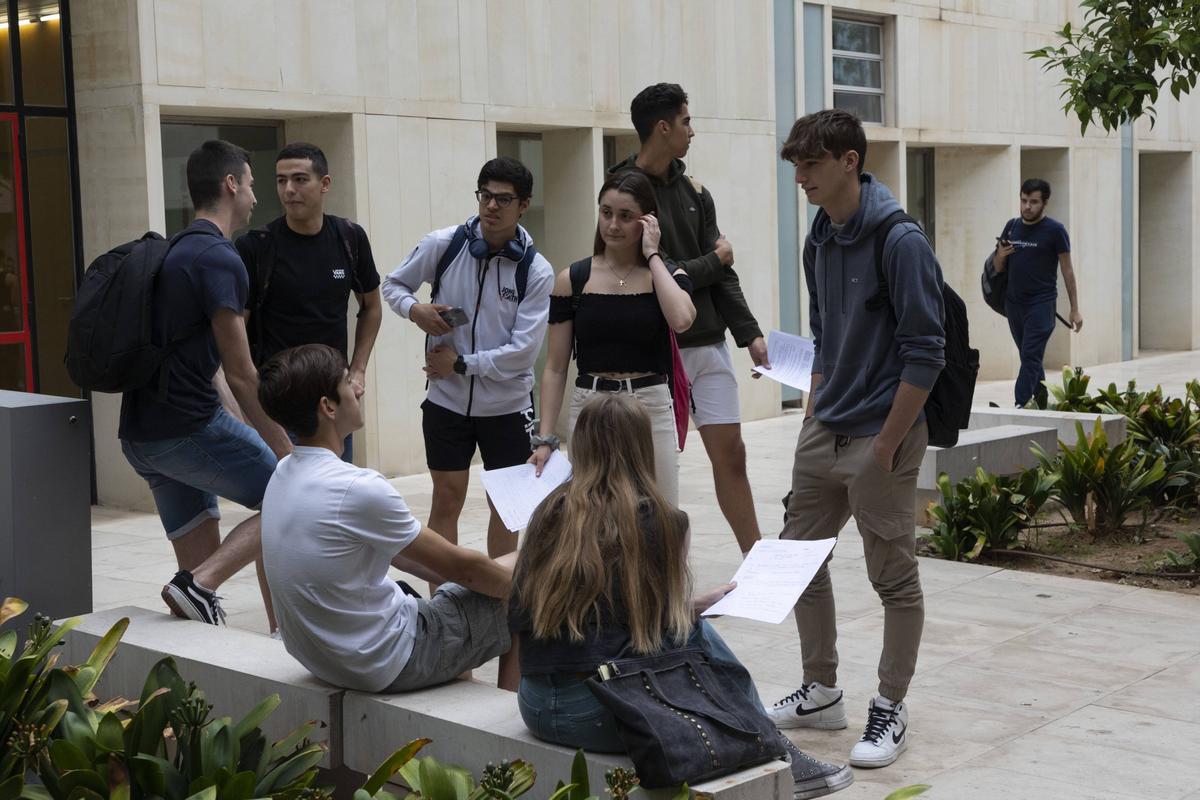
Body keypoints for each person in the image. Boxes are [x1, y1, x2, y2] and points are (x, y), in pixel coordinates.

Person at [511, 393, 853, 799]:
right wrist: (687, 613)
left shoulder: (548, 512)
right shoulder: (661, 520)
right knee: (697, 636)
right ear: (643, 447)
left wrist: (691, 605)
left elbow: (563, 616)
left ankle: (774, 741)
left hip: (534, 704)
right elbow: (658, 631)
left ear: (580, 445)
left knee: (688, 624)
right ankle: (776, 745)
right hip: (600, 715)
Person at [767, 109, 946, 769]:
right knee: (797, 561)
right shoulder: (820, 234)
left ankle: (891, 705)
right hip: (826, 428)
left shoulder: (900, 241)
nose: (800, 180)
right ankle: (821, 691)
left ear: (848, 161)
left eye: (809, 166)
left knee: (893, 577)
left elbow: (927, 353)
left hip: (881, 436)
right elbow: (821, 325)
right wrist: (816, 401)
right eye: (795, 167)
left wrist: (885, 444)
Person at [258, 343, 518, 692]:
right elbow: (462, 568)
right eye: (348, 382)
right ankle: (511, 726)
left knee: (506, 572)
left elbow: (414, 559)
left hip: (320, 657)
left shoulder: (283, 473)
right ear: (328, 407)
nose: (358, 388)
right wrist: (527, 590)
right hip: (384, 662)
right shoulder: (356, 488)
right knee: (535, 589)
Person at [117, 139, 292, 627]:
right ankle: (213, 589)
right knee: (289, 496)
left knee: (193, 565)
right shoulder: (219, 257)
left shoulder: (173, 250)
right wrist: (286, 453)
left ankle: (196, 608)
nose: (258, 198)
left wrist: (248, 433)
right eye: (253, 185)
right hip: (188, 427)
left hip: (142, 435)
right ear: (230, 184)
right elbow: (242, 371)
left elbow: (211, 367)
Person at [610, 82, 768, 555]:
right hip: (656, 351)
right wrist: (712, 261)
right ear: (663, 127)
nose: (691, 131)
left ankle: (755, 561)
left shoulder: (697, 192)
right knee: (656, 472)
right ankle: (650, 573)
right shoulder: (622, 193)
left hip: (709, 345)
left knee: (732, 456)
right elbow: (664, 273)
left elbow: (720, 272)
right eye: (686, 121)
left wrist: (751, 333)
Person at [382, 157, 554, 559]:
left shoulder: (537, 270)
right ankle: (444, 605)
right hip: (446, 402)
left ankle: (496, 604)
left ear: (523, 205)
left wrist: (460, 364)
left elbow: (522, 353)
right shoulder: (443, 244)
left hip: (508, 407)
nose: (491, 207)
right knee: (445, 499)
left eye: (503, 200)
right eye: (485, 196)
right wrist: (414, 310)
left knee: (505, 509)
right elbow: (393, 284)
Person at [529, 171, 694, 503]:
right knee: (590, 514)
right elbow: (556, 368)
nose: (613, 225)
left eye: (625, 216)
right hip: (590, 404)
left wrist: (652, 254)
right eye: (606, 213)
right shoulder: (573, 279)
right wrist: (545, 438)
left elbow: (681, 319)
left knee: (661, 512)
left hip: (650, 405)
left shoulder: (666, 275)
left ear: (648, 221)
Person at [234, 141, 383, 462]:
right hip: (278, 400)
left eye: (300, 179)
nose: (289, 189)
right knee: (286, 498)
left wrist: (357, 369)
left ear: (324, 183)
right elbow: (236, 329)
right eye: (281, 180)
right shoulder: (255, 247)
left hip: (333, 396)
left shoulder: (350, 238)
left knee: (334, 494)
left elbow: (371, 306)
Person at [990, 178, 1082, 407]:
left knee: (1030, 354)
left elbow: (1067, 270)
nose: (1027, 207)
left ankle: (1019, 405)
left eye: (1033, 202)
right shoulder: (1012, 226)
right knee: (1029, 356)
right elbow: (998, 268)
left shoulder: (1055, 231)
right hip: (1014, 304)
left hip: (1041, 304)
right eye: (1023, 201)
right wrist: (1000, 255)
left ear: (1045, 203)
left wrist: (1075, 309)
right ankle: (1041, 404)